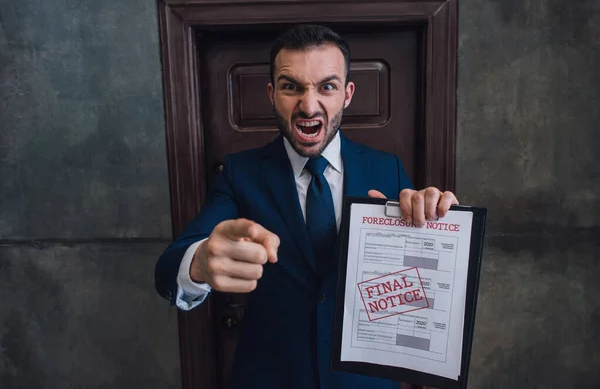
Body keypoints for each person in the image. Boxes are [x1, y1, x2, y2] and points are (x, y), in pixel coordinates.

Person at [155, 24, 459, 389]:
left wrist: (436, 224)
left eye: (326, 86)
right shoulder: (240, 173)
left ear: (347, 94)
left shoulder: (386, 169)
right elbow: (169, 269)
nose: (308, 105)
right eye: (291, 87)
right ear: (272, 93)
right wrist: (200, 263)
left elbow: (421, 279)